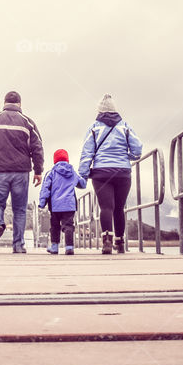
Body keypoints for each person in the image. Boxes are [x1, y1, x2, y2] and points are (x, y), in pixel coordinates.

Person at [0, 91, 44, 253]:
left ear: (4, 103)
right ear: (19, 104)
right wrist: (38, 170)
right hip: (21, 172)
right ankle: (18, 245)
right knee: (19, 209)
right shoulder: (28, 122)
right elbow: (37, 148)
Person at [78, 94, 143, 255]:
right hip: (122, 172)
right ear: (115, 109)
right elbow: (138, 149)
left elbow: (87, 153)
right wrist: (127, 157)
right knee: (119, 208)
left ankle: (107, 239)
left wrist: (83, 175)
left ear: (99, 110)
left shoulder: (94, 127)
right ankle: (120, 242)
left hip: (101, 173)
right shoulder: (125, 126)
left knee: (106, 207)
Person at [38, 148, 87, 255]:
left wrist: (42, 203)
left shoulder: (51, 173)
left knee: (55, 226)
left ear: (54, 160)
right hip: (69, 205)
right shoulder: (72, 173)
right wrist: (85, 175)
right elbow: (82, 184)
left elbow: (45, 189)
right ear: (67, 160)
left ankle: (55, 247)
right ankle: (69, 247)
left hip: (55, 206)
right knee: (68, 225)